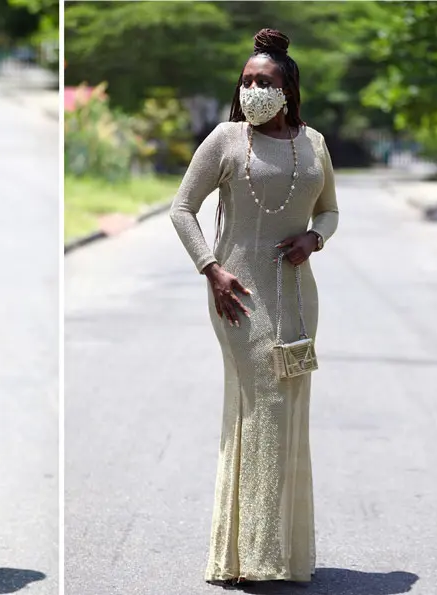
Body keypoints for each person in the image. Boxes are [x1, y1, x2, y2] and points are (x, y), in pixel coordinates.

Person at [169, 28, 339, 588]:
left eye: (264, 82)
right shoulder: (225, 139)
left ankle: (282, 551)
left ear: (287, 89)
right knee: (263, 403)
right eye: (246, 81)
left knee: (287, 410)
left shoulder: (314, 144)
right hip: (237, 295)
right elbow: (182, 209)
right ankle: (251, 554)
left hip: (297, 297)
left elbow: (330, 211)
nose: (253, 91)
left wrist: (314, 239)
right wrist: (211, 268)